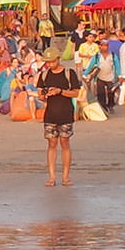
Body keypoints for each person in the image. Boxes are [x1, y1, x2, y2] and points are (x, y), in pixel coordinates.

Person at [38, 46, 80, 187]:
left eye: (52, 61)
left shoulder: (69, 73)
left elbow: (76, 93)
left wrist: (60, 91)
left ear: (58, 59)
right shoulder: (44, 75)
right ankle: (51, 177)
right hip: (50, 115)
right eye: (47, 62)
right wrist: (45, 94)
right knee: (51, 144)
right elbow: (40, 96)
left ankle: (66, 177)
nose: (50, 64)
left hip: (66, 113)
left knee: (65, 143)